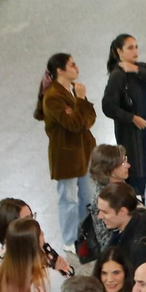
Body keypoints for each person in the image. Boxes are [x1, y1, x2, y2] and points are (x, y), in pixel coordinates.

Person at [30, 57, 96, 253]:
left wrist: (79, 108)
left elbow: (89, 118)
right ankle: (70, 239)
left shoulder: (74, 89)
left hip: (84, 151)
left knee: (88, 195)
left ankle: (86, 234)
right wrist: (81, 101)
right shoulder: (52, 97)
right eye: (72, 65)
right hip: (66, 155)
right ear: (60, 70)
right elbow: (75, 124)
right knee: (68, 198)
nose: (76, 67)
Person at [102, 33, 146, 183]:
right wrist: (132, 118)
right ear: (119, 52)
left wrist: (137, 70)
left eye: (136, 47)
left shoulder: (142, 68)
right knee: (140, 174)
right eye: (130, 48)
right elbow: (108, 106)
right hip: (133, 138)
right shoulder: (117, 76)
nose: (135, 51)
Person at [97, 182, 146, 271]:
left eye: (105, 212)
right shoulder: (142, 221)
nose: (99, 216)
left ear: (122, 211)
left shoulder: (140, 249)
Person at [81, 144, 131, 256]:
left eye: (126, 160)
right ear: (111, 170)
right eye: (123, 162)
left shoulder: (119, 183)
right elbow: (106, 242)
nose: (128, 165)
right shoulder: (104, 199)